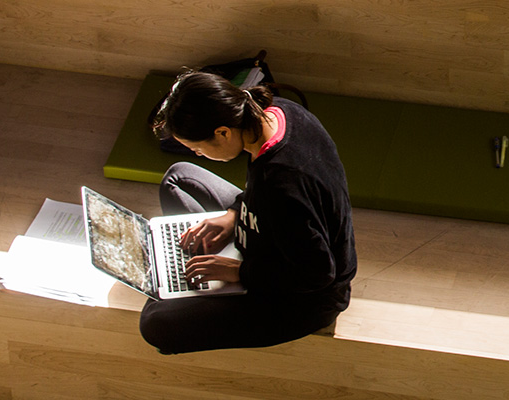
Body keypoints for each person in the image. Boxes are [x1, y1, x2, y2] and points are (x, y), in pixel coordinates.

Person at [141, 70, 356, 354]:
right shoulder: (278, 110)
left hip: (305, 299)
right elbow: (266, 197)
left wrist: (240, 272)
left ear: (222, 132)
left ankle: (172, 281)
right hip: (267, 236)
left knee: (155, 324)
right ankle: (178, 274)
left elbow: (317, 275)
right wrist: (233, 214)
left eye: (198, 148)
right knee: (179, 178)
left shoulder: (282, 184)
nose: (197, 154)